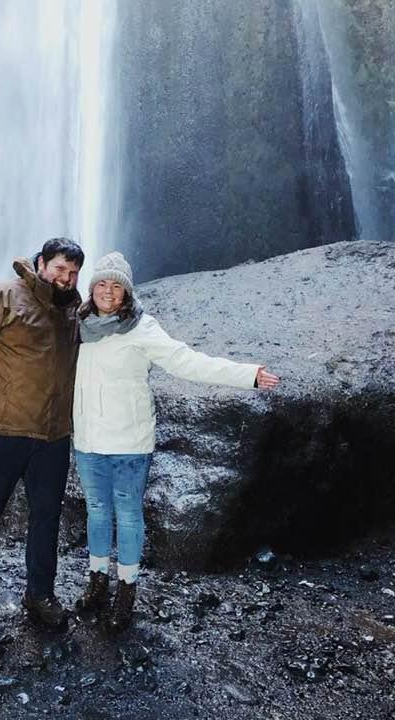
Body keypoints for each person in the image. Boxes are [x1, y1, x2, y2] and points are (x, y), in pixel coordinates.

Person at [73, 251, 280, 633]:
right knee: (98, 511)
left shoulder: (141, 328)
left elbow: (188, 362)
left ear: (126, 293)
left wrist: (247, 375)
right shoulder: (80, 324)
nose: (108, 291)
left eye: (116, 285)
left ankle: (127, 590)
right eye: (102, 283)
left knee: (129, 513)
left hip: (129, 441)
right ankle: (97, 581)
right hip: (87, 439)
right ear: (91, 288)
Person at [0, 237, 84, 636]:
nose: (67, 277)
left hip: (53, 437)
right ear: (41, 263)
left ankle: (40, 594)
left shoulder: (73, 310)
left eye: (73, 272)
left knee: (47, 519)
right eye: (60, 268)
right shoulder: (4, 295)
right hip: (4, 429)